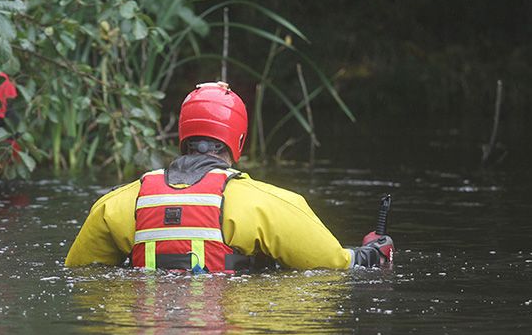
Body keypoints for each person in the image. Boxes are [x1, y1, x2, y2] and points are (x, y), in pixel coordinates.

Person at [64, 81, 395, 272]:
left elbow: (78, 273)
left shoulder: (116, 204)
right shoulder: (268, 204)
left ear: (183, 135)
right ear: (237, 140)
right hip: (228, 318)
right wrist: (372, 253)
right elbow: (333, 265)